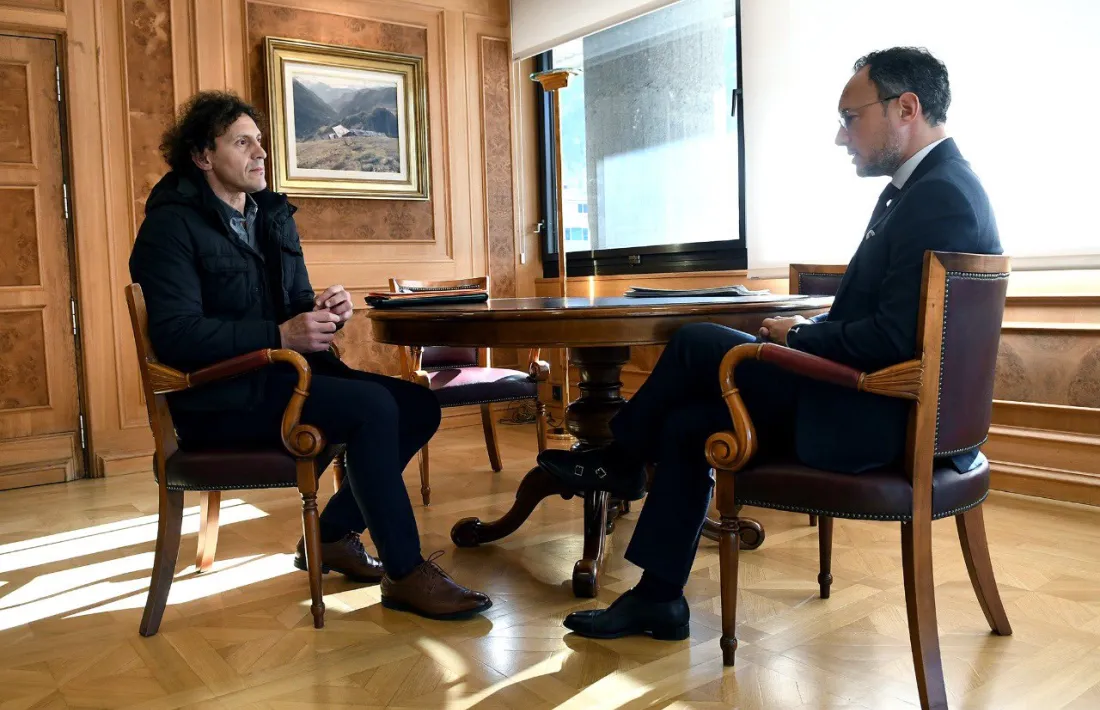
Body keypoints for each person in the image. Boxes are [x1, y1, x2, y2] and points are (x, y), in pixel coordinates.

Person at [538, 47, 1002, 640]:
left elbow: (892, 339)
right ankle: (658, 597)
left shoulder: (938, 195)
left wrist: (800, 336)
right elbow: (895, 322)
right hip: (882, 405)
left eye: (850, 117)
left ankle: (619, 460)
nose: (841, 137)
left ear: (905, 107)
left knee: (697, 340)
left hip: (879, 415)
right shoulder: (932, 188)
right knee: (687, 423)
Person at [129, 91, 491, 620]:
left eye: (260, 142)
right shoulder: (170, 227)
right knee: (374, 409)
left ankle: (332, 535)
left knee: (420, 406)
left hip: (282, 381)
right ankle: (404, 572)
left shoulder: (270, 215)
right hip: (220, 398)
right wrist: (280, 334)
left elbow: (292, 309)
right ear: (203, 156)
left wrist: (326, 311)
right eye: (242, 142)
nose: (260, 154)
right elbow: (179, 336)